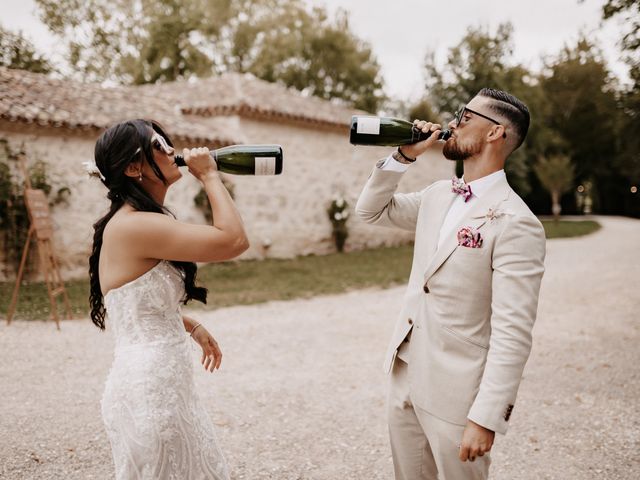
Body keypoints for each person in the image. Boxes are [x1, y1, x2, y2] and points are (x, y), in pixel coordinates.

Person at [356, 88, 546, 479]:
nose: (454, 122)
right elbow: (370, 211)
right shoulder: (438, 195)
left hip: (457, 393)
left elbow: (514, 331)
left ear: (495, 134)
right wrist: (404, 156)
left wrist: (487, 415)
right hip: (404, 371)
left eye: (465, 115)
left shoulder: (517, 222)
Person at [87, 119, 248, 479]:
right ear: (132, 167)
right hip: (152, 395)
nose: (172, 151)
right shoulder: (135, 225)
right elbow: (234, 241)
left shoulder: (134, 221)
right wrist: (209, 176)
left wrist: (189, 324)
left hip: (159, 388)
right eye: (159, 144)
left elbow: (132, 306)